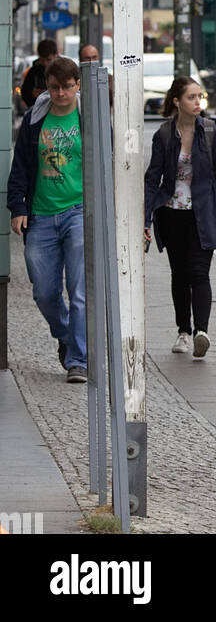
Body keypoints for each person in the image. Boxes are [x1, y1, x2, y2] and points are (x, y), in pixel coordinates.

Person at [143, 76, 216, 359]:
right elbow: (152, 180)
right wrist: (145, 220)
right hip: (172, 214)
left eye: (199, 97)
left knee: (199, 273)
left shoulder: (209, 132)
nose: (197, 102)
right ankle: (183, 332)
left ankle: (201, 331)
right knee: (180, 274)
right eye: (191, 97)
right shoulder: (163, 135)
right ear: (177, 101)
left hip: (204, 213)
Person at [7, 56, 87, 382]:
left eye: (67, 87)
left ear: (77, 85)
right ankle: (67, 338)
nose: (61, 94)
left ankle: (79, 361)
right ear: (47, 87)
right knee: (43, 292)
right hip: (40, 214)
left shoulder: (89, 118)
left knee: (79, 290)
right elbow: (21, 167)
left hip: (78, 211)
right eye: (54, 88)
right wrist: (18, 208)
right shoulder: (35, 119)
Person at [20, 39, 58, 109]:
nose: (45, 63)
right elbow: (25, 92)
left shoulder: (64, 69)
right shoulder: (34, 71)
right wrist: (32, 94)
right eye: (42, 60)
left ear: (56, 55)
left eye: (48, 60)